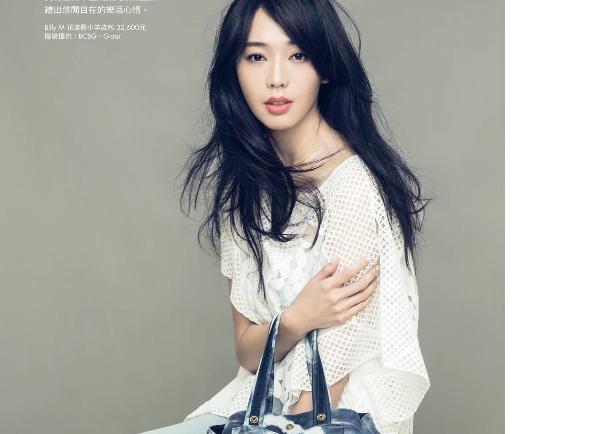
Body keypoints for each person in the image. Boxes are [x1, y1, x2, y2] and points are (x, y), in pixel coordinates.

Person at [138, 0, 431, 433]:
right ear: (234, 70)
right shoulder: (245, 188)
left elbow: (332, 376)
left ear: (324, 67)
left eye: (298, 55)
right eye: (257, 57)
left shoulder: (353, 189)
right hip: (257, 407)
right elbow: (247, 351)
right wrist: (296, 319)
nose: (276, 78)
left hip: (332, 415)